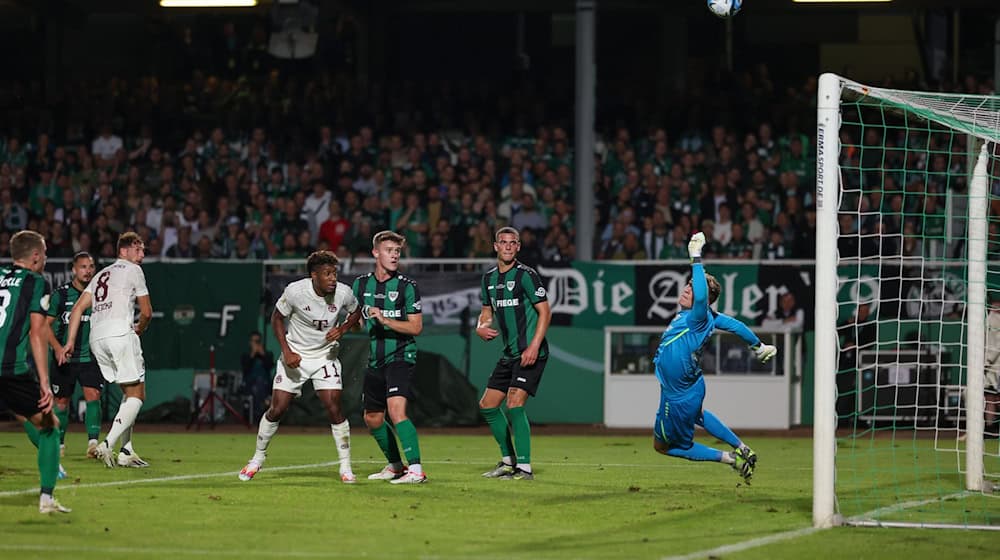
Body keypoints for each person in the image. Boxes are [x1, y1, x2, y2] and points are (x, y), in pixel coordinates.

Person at [651, 232, 777, 484]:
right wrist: (758, 345)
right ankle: (741, 448)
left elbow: (700, 295)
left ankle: (731, 459)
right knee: (699, 415)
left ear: (704, 299)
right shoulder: (707, 316)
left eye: (692, 287)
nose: (688, 289)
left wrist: (696, 257)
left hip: (678, 396)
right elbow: (736, 325)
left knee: (663, 446)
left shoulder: (698, 317)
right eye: (687, 284)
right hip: (689, 387)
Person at [239, 251, 361, 483]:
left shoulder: (343, 293)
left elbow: (355, 312)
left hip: (325, 356)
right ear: (314, 275)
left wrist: (342, 329)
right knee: (278, 408)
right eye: (327, 274)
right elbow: (276, 318)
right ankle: (257, 458)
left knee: (333, 406)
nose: (333, 279)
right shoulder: (295, 291)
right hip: (296, 355)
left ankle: (345, 466)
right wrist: (286, 351)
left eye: (334, 273)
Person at [64, 231, 153, 469]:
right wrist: (140, 329)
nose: (142, 254)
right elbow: (146, 312)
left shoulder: (101, 273)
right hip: (120, 333)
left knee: (128, 389)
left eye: (143, 250)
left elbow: (77, 310)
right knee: (137, 394)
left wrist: (70, 341)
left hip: (96, 338)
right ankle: (108, 444)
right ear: (123, 251)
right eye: (138, 249)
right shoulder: (134, 270)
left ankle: (126, 450)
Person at [0, 230, 70, 513]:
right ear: (36, 256)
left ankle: (52, 467)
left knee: (24, 415)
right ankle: (47, 498)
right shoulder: (35, 282)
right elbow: (37, 334)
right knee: (50, 425)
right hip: (11, 369)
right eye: (45, 254)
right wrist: (44, 380)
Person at [476, 226, 552, 480]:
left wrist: (533, 346)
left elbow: (545, 311)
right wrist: (481, 326)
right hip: (509, 354)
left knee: (515, 405)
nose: (508, 246)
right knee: (487, 405)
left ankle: (525, 468)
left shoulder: (526, 276)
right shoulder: (488, 279)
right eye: (503, 242)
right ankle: (508, 462)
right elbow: (487, 312)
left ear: (518, 247)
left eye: (513, 243)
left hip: (531, 352)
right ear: (495, 246)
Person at [351, 230, 427, 484]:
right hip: (375, 358)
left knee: (396, 411)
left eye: (397, 251)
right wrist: (347, 325)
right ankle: (396, 466)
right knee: (372, 418)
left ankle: (416, 470)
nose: (394, 255)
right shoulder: (360, 285)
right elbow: (357, 323)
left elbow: (416, 327)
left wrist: (385, 319)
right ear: (375, 253)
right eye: (389, 250)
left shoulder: (407, 286)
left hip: (401, 355)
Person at [47, 251, 102, 458]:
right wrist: (58, 348)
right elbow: (45, 326)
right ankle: (59, 444)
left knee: (93, 395)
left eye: (91, 266)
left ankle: (93, 443)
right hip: (64, 358)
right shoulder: (60, 295)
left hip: (90, 357)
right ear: (73, 270)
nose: (88, 271)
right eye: (83, 267)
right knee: (61, 402)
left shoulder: (99, 295)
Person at [240, 331, 275, 422]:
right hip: (249, 384)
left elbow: (269, 366)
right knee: (256, 387)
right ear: (250, 342)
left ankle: (261, 412)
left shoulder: (268, 354)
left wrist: (262, 354)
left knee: (261, 384)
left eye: (258, 341)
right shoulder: (246, 355)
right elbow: (245, 368)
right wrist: (252, 354)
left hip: (265, 385)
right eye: (253, 341)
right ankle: (259, 414)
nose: (255, 344)